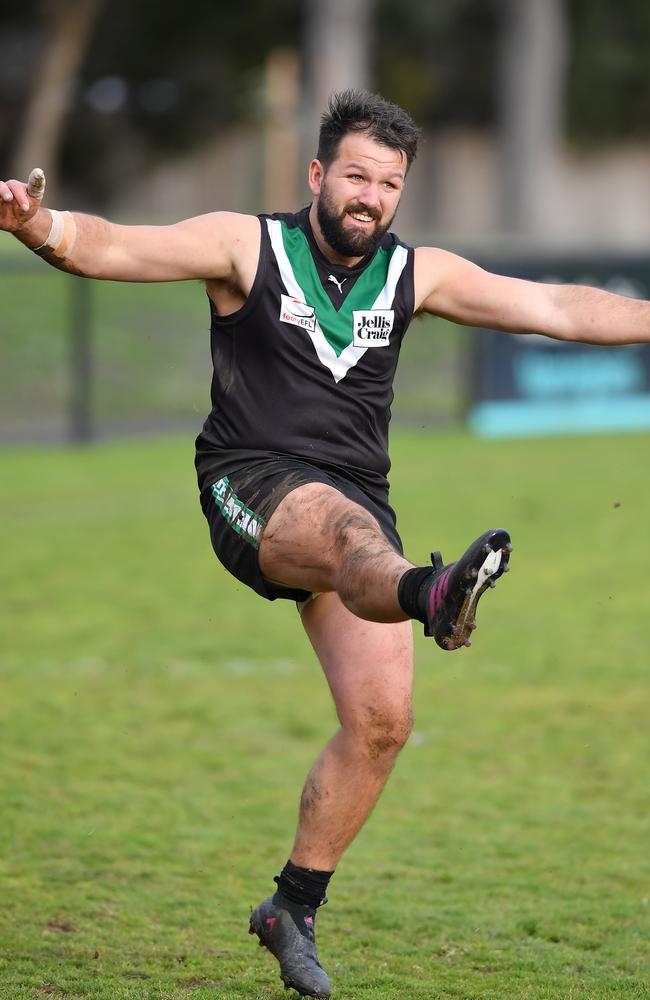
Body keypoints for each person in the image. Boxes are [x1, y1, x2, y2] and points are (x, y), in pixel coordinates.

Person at [2, 89, 649, 998]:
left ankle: (291, 908)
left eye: (389, 184)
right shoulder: (247, 245)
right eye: (355, 175)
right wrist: (38, 225)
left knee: (383, 721)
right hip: (250, 485)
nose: (370, 196)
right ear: (316, 174)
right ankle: (435, 595)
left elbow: (559, 308)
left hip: (356, 512)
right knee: (353, 538)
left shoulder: (413, 275)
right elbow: (113, 246)